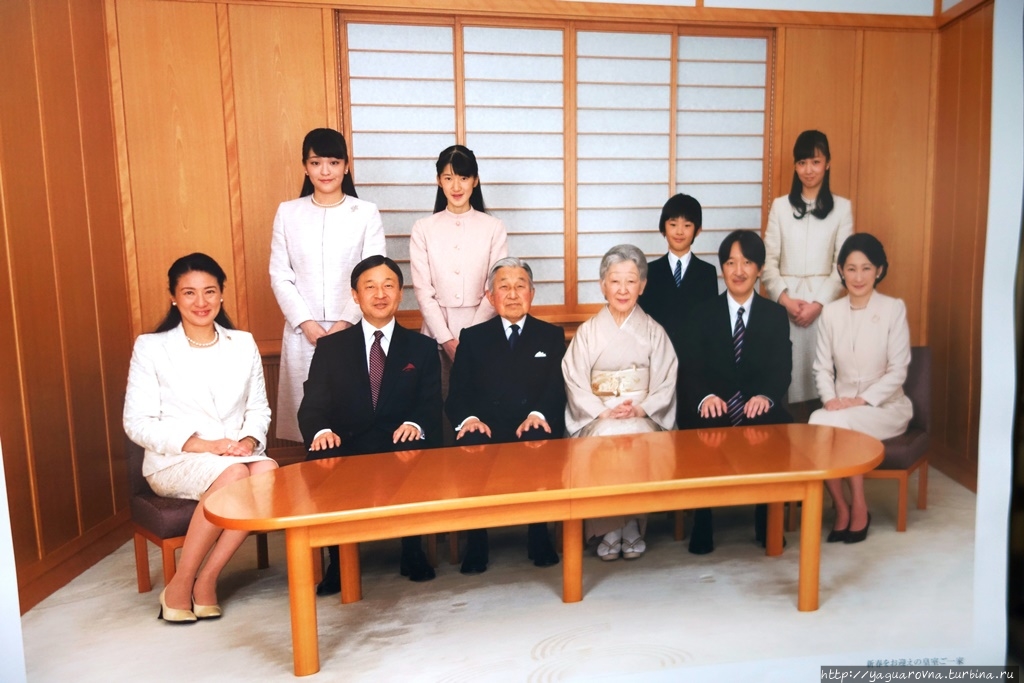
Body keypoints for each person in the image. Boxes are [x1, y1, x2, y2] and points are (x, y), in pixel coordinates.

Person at [124, 253, 277, 623]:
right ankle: (182, 582)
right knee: (237, 475)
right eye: (189, 293)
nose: (201, 302)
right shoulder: (151, 347)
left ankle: (207, 577)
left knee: (267, 470)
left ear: (221, 294)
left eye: (209, 291)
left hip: (235, 455)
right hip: (176, 460)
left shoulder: (243, 343)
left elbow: (258, 408)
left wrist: (248, 442)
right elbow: (136, 422)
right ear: (173, 297)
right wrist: (204, 445)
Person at [297, 255, 442, 590]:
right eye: (370, 287)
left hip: (398, 438)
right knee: (322, 457)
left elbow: (431, 404)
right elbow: (313, 403)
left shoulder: (421, 347)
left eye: (388, 286)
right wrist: (322, 432)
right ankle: (338, 560)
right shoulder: (331, 347)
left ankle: (412, 549)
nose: (380, 294)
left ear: (400, 293)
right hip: (347, 440)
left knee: (417, 448)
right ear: (355, 295)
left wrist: (416, 424)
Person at [445, 257, 567, 574]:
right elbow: (457, 394)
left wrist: (538, 413)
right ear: (490, 296)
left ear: (532, 293)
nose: (512, 294)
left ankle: (539, 536)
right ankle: (477, 542)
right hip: (487, 425)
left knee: (538, 436)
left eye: (520, 286)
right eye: (504, 287)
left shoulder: (551, 336)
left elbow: (557, 388)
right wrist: (470, 419)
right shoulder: (473, 337)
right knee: (471, 440)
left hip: (532, 423)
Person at [269, 127, 386, 443]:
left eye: (333, 162)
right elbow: (280, 274)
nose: (325, 171)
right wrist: (306, 323)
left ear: (346, 166)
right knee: (310, 425)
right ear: (305, 167)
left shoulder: (365, 213)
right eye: (316, 162)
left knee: (352, 419)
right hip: (302, 331)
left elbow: (373, 275)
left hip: (352, 327)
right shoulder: (288, 213)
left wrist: (345, 323)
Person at [562, 244, 677, 561]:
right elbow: (574, 379)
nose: (623, 289)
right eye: (615, 281)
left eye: (631, 281)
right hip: (599, 416)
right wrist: (602, 411)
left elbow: (666, 380)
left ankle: (631, 524)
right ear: (603, 285)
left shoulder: (654, 331)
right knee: (605, 437)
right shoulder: (588, 332)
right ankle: (611, 527)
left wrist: (641, 408)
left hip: (642, 414)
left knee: (637, 434)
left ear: (642, 285)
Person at [680, 230, 792, 554]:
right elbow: (690, 367)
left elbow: (781, 369)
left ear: (759, 269)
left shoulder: (774, 315)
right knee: (704, 424)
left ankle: (767, 519)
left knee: (771, 423)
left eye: (747, 262)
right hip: (716, 404)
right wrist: (705, 397)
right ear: (722, 268)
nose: (738, 270)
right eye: (730, 263)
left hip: (757, 405)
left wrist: (766, 396)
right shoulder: (702, 313)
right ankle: (702, 520)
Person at [809, 233, 911, 545]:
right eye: (851, 269)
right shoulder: (830, 313)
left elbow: (898, 370)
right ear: (841, 270)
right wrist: (830, 400)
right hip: (840, 407)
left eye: (866, 268)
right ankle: (842, 507)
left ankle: (860, 507)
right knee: (816, 422)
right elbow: (822, 368)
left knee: (841, 426)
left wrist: (862, 400)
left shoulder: (893, 309)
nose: (858, 277)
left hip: (885, 408)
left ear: (879, 270)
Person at [761, 130, 854, 411]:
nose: (809, 170)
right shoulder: (780, 207)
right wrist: (786, 300)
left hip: (824, 306)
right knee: (783, 382)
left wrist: (817, 304)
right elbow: (768, 262)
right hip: (785, 304)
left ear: (827, 163)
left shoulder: (842, 208)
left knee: (821, 382)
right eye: (802, 163)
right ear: (795, 166)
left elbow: (843, 266)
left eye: (815, 162)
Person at [410, 144, 508, 368]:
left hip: (483, 334)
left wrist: (470, 339)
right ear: (438, 181)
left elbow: (494, 289)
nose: (456, 186)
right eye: (448, 178)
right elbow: (423, 292)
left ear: (475, 180)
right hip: (435, 336)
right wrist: (446, 340)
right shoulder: (423, 228)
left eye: (463, 178)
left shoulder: (494, 227)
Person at [637, 193, 720, 428]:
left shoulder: (707, 272)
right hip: (658, 364)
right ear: (663, 228)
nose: (679, 231)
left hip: (696, 365)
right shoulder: (650, 271)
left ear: (698, 230)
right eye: (673, 224)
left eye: (687, 225)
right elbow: (645, 323)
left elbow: (710, 324)